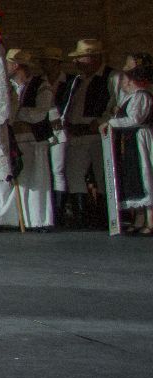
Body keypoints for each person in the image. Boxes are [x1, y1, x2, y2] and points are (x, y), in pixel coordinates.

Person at [0, 48, 57, 231]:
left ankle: (39, 220)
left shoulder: (40, 85)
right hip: (13, 139)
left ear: (16, 65)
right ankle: (8, 219)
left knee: (37, 180)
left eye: (8, 63)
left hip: (34, 139)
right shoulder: (8, 88)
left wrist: (16, 112)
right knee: (11, 178)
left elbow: (40, 113)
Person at [55, 38, 119, 228]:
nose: (77, 62)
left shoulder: (111, 76)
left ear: (94, 57)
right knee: (73, 174)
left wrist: (100, 122)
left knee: (102, 175)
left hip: (98, 134)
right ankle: (82, 215)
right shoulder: (77, 80)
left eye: (82, 58)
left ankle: (105, 216)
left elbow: (115, 103)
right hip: (76, 133)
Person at [102, 65, 152, 234]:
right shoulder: (129, 98)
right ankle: (138, 218)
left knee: (143, 174)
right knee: (132, 175)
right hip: (129, 140)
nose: (121, 83)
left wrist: (112, 123)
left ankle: (150, 220)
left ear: (130, 81)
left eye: (123, 79)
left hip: (140, 139)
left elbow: (135, 118)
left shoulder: (141, 96)